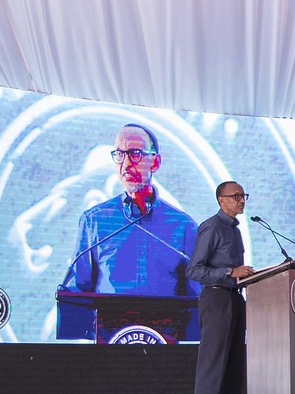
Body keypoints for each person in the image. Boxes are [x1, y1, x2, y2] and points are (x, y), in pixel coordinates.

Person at [56, 123, 200, 339]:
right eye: (120, 154)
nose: (126, 164)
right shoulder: (94, 220)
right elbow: (78, 288)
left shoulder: (183, 226)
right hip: (109, 344)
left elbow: (196, 297)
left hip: (165, 347)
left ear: (155, 162)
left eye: (135, 154)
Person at [187, 181, 254, 394]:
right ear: (221, 199)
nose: (241, 200)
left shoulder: (234, 230)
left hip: (235, 300)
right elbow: (194, 270)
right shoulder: (212, 227)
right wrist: (230, 272)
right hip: (216, 300)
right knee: (211, 373)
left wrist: (243, 276)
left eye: (243, 195)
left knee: (232, 374)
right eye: (235, 196)